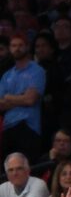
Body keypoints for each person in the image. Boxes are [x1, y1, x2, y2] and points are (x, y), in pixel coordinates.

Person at [0, 31, 46, 161]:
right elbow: (0, 104)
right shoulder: (7, 75)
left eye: (20, 45)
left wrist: (9, 97)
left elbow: (30, 99)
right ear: (10, 48)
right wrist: (21, 97)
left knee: (28, 166)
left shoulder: (36, 70)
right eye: (14, 45)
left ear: (27, 46)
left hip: (28, 125)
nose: (17, 48)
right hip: (8, 126)